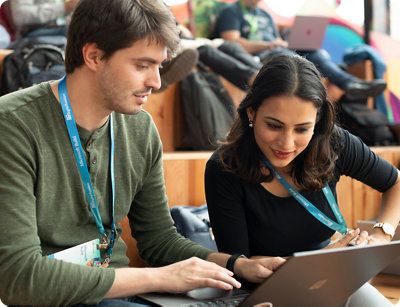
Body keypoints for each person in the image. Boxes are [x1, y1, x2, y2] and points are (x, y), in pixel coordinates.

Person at [0, 0, 286, 306]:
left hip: (121, 296)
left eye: (159, 66)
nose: (156, 82)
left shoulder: (140, 127)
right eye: (142, 65)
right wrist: (161, 277)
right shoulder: (13, 124)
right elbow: (21, 279)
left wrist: (237, 265)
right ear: (93, 56)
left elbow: (159, 240)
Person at [204, 52, 400, 306]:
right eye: (274, 125)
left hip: (333, 274)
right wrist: (324, 258)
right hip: (265, 289)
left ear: (317, 120)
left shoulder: (334, 142)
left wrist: (381, 234)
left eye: (302, 129)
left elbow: (395, 182)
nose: (286, 143)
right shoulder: (224, 167)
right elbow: (241, 263)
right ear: (251, 112)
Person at [215, 0, 387, 101]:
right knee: (289, 57)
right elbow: (232, 42)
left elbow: (277, 41)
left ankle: (350, 84)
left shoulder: (264, 15)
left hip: (278, 50)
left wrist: (283, 42)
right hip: (262, 56)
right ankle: (316, 97)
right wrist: (269, 45)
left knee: (317, 54)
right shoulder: (232, 11)